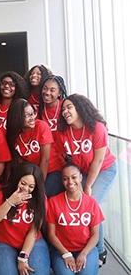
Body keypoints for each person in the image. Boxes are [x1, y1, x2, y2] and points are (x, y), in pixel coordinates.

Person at [55, 93, 117, 266]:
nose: (65, 111)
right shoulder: (63, 132)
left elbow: (98, 159)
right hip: (81, 171)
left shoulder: (96, 128)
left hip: (103, 169)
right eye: (63, 109)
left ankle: (100, 249)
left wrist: (88, 185)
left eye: (69, 107)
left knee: (91, 203)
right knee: (80, 201)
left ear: (80, 109)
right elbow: (63, 155)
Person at [0, 161, 50, 275]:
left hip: (32, 242)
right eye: (23, 183)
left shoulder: (40, 198)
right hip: (3, 242)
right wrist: (11, 201)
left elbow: (34, 231)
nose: (25, 189)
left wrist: (23, 257)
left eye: (31, 186)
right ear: (16, 179)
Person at [47, 162, 104, 275]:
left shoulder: (91, 202)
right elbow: (51, 234)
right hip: (61, 250)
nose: (70, 182)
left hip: (87, 249)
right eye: (65, 179)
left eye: (74, 177)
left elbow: (95, 234)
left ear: (80, 177)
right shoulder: (53, 202)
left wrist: (84, 254)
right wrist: (66, 254)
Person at [6, 98, 53, 182]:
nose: (32, 118)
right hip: (31, 172)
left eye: (33, 113)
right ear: (17, 117)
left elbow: (45, 160)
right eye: (27, 115)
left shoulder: (41, 127)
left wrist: (39, 185)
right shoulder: (14, 133)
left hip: (50, 170)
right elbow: (21, 162)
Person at [38, 75, 68, 197]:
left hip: (62, 164)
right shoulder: (37, 110)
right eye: (45, 88)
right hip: (44, 162)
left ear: (60, 92)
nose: (47, 92)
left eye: (52, 90)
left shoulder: (65, 107)